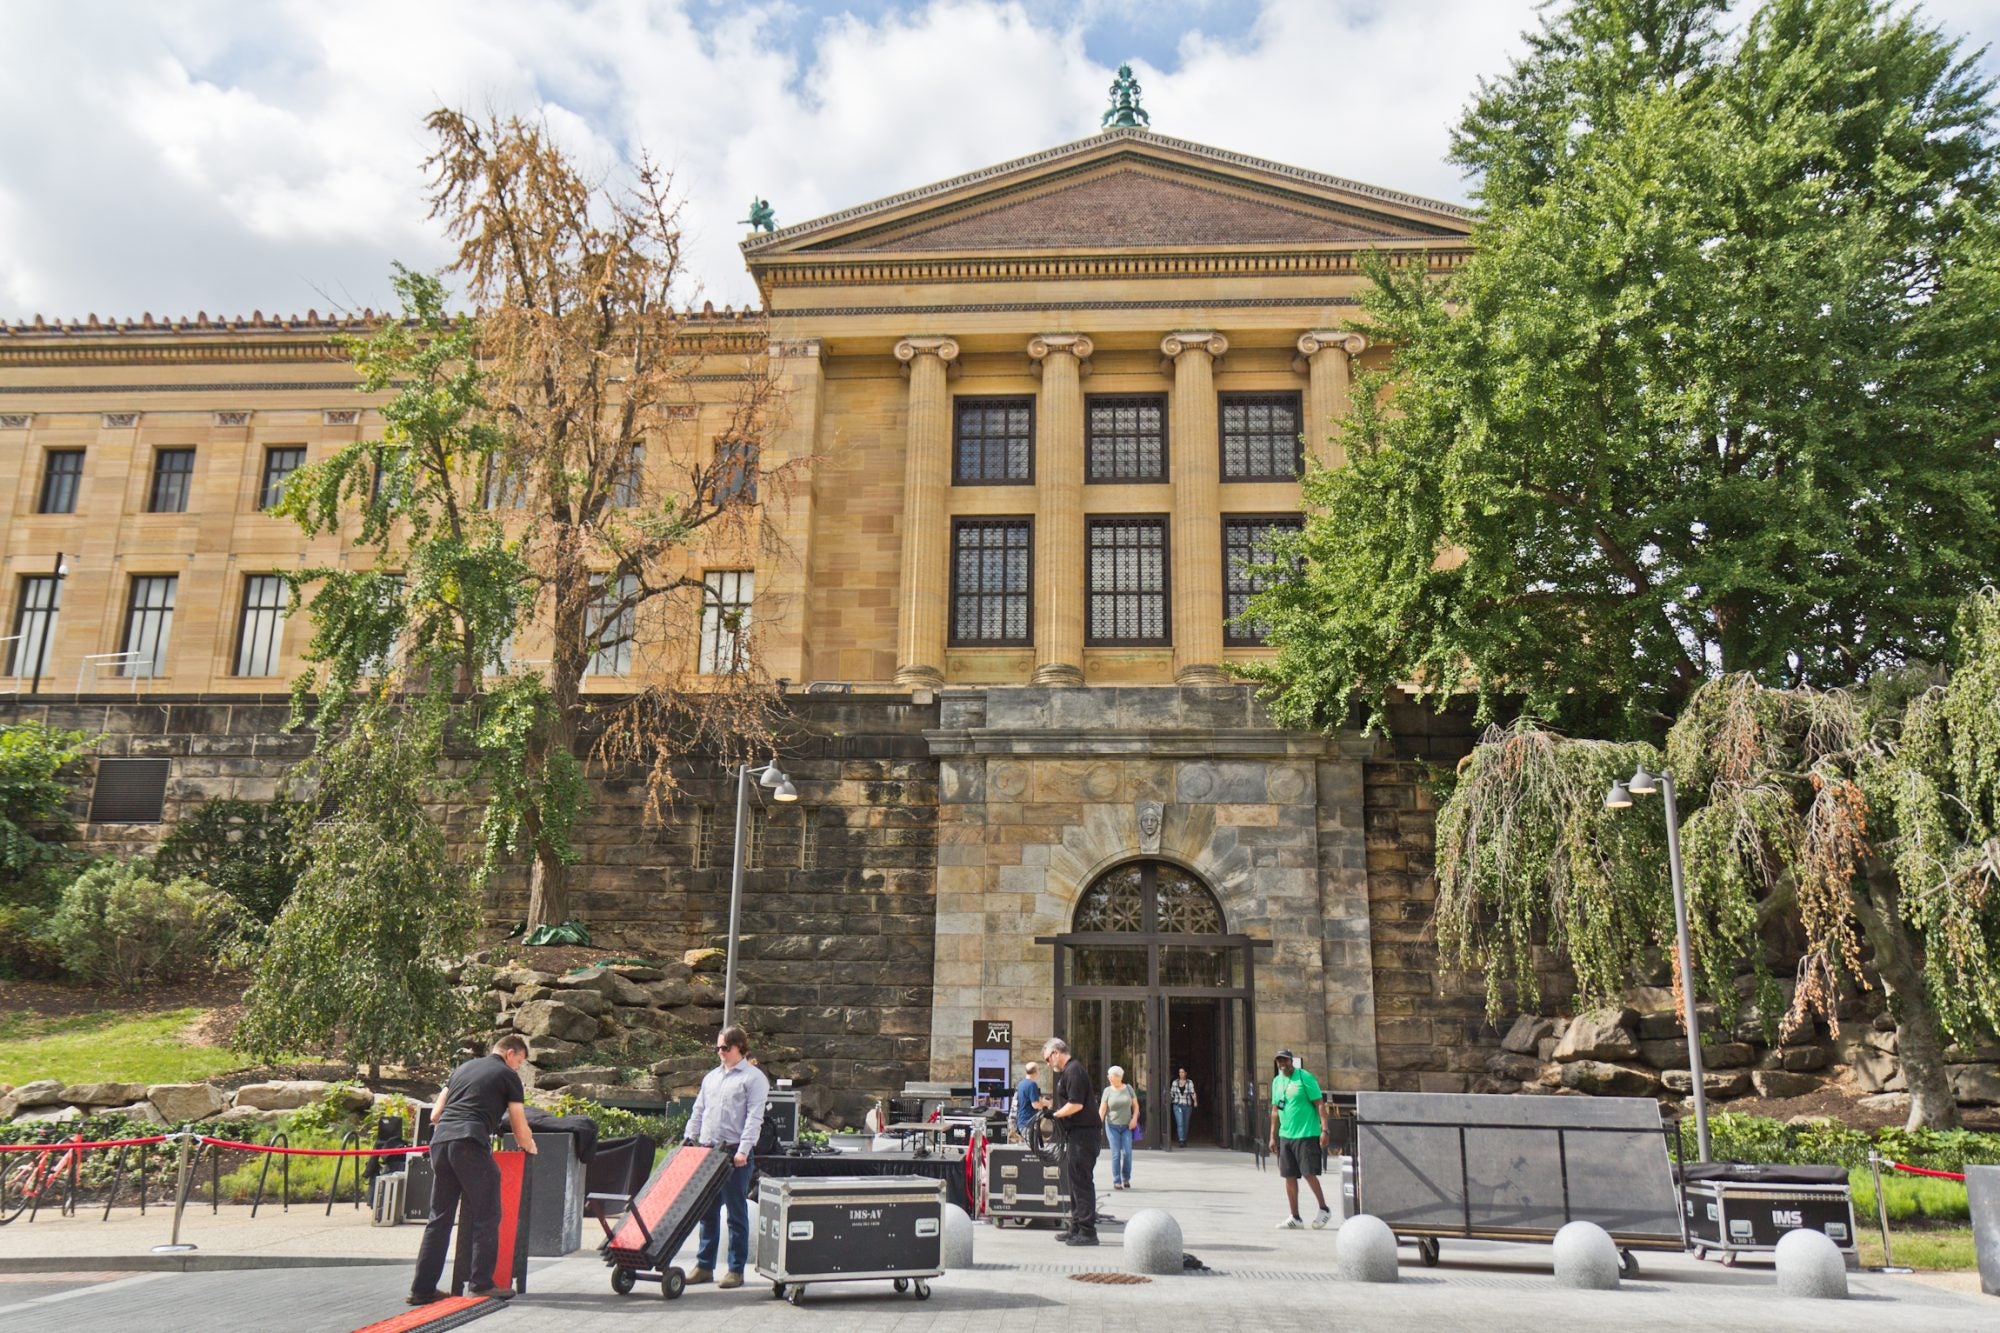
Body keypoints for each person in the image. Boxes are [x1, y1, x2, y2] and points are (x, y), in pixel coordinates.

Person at [409, 1034, 539, 1306]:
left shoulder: (462, 1068)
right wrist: (530, 1146)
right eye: (520, 1062)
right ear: (510, 1053)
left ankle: (422, 1289)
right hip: (469, 1142)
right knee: (487, 1214)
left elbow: (435, 1115)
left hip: (441, 1143)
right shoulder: (507, 1075)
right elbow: (518, 1120)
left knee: (439, 1218)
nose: (518, 1068)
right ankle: (481, 1284)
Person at [682, 1024, 770, 1289]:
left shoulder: (754, 1078)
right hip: (708, 1151)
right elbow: (699, 1110)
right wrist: (690, 1137)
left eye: (724, 1047)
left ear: (739, 1048)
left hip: (734, 1153)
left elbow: (755, 1117)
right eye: (718, 1047)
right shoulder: (711, 1077)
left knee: (735, 1213)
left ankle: (735, 1269)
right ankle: (704, 1266)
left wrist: (744, 1150)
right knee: (706, 1211)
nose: (720, 1052)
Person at [1036, 1037, 1100, 1245]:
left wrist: (1054, 1115)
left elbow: (1076, 1104)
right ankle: (1076, 1226)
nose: (1048, 1064)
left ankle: (1088, 1231)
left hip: (1084, 1134)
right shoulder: (1068, 1073)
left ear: (1056, 1052)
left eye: (1047, 1059)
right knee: (1074, 1182)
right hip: (1076, 1135)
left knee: (1081, 1182)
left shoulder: (1074, 1071)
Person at [1268, 1048, 1332, 1229]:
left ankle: (1324, 1208)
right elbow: (1275, 1110)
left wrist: (1324, 1129)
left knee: (1308, 1173)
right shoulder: (1277, 1082)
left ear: (1291, 1061)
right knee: (1288, 1175)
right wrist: (1272, 1136)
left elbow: (1319, 1103)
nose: (1282, 1064)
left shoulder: (1305, 1078)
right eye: (1279, 1061)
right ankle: (1295, 1217)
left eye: (1285, 1060)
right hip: (1286, 1135)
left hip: (1306, 1133)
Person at [1099, 1066, 1138, 1189]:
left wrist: (1134, 1119)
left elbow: (1136, 1106)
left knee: (1127, 1153)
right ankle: (1117, 1180)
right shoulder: (1107, 1091)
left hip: (1127, 1126)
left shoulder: (1129, 1089)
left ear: (1118, 1077)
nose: (1108, 1078)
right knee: (1116, 1154)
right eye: (1108, 1076)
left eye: (1110, 1076)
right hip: (1112, 1126)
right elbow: (1102, 1109)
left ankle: (1126, 1178)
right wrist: (1097, 1125)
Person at [1012, 1061, 1042, 1143]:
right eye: (1039, 1069)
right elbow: (1035, 1105)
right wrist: (1045, 1104)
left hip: (1022, 1122)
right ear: (1035, 1072)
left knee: (1028, 1148)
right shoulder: (1032, 1084)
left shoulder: (1021, 1084)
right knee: (1032, 1150)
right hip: (1029, 1122)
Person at [1169, 1067, 1198, 1147]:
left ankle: (1184, 1139)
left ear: (1185, 1073)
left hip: (1187, 1105)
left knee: (1186, 1123)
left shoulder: (1190, 1082)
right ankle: (1181, 1140)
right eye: (1179, 1072)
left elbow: (1192, 1092)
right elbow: (1172, 1093)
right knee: (1180, 1122)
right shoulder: (1175, 1082)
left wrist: (1195, 1101)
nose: (1181, 1074)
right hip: (1177, 1104)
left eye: (1182, 1072)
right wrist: (1168, 1100)